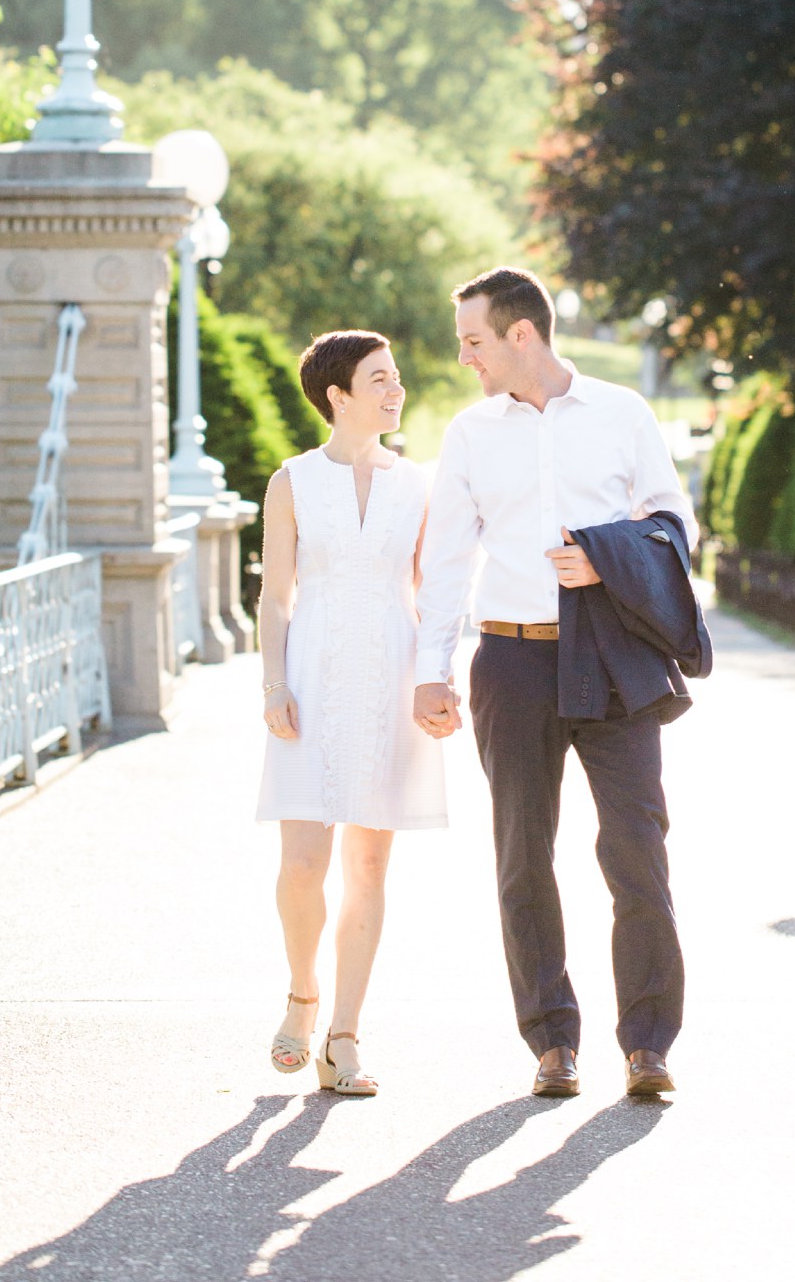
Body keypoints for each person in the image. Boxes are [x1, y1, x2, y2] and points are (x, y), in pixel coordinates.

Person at [413, 267, 697, 1100]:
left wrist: (606, 556)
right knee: (521, 856)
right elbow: (446, 562)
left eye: (472, 341)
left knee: (636, 847)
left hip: (611, 656)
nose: (464, 357)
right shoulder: (469, 434)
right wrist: (432, 671)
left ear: (520, 335)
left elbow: (673, 521)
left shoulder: (621, 413)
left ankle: (647, 1043)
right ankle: (551, 1041)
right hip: (512, 659)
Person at [255, 329, 448, 1096]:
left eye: (395, 377)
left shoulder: (418, 484)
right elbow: (274, 596)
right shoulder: (292, 481)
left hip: (388, 680)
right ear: (338, 395)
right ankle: (302, 993)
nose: (394, 390)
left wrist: (436, 680)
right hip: (310, 677)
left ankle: (343, 1037)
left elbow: (433, 593)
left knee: (369, 864)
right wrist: (273, 685)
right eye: (379, 378)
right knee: (302, 863)